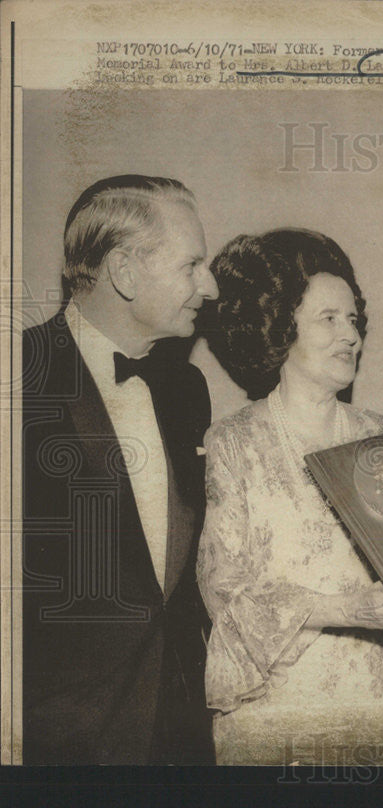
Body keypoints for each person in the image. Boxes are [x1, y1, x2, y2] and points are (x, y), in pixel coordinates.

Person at [197, 228, 383, 766]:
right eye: (329, 319)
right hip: (283, 707)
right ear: (280, 327)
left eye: (354, 320)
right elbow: (224, 590)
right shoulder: (236, 441)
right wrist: (346, 609)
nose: (351, 336)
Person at [21, 175, 218, 764]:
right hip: (58, 734)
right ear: (125, 273)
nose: (208, 286)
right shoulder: (18, 374)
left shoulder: (188, 387)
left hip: (178, 722)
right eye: (192, 265)